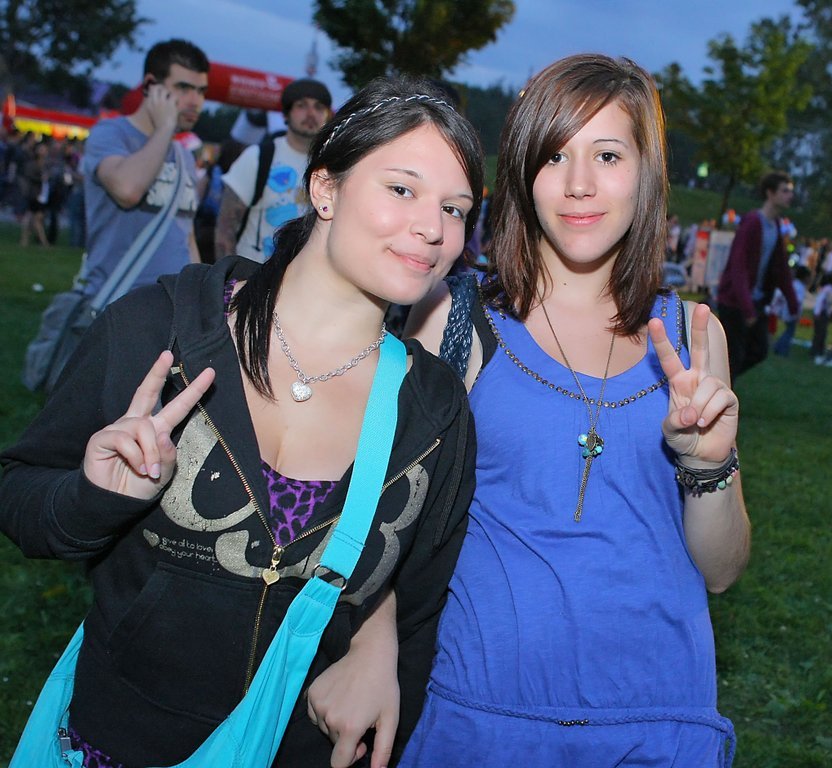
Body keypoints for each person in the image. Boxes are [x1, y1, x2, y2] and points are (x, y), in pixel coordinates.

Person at [0, 76, 484, 768]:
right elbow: (20, 492)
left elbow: (421, 608)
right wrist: (92, 498)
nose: (433, 229)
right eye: (402, 189)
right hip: (119, 740)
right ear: (325, 188)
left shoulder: (432, 410)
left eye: (455, 208)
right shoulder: (162, 331)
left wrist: (376, 652)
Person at [393, 53, 749, 767]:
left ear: (646, 173)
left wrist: (709, 465)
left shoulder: (693, 336)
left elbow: (722, 569)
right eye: (555, 155)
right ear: (522, 173)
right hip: (484, 719)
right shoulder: (453, 322)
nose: (579, 183)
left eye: (608, 155)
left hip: (656, 721)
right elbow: (390, 525)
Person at [79, 39, 208, 306]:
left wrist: (197, 300)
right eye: (183, 88)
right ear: (150, 85)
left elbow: (187, 236)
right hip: (117, 306)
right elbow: (127, 190)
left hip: (172, 309)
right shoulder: (111, 133)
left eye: (201, 91)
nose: (195, 101)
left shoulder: (183, 156)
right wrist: (165, 128)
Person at [216, 78, 333, 262]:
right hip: (252, 273)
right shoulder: (258, 157)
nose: (311, 113)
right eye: (301, 106)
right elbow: (225, 228)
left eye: (319, 107)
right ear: (286, 115)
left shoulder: (334, 165)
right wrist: (228, 275)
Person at [716, 170, 799, 378]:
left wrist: (792, 301)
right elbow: (738, 267)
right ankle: (718, 385)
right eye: (785, 191)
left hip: (756, 301)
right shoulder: (753, 222)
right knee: (733, 356)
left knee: (759, 350)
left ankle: (719, 382)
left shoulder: (776, 225)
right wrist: (747, 308)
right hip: (734, 301)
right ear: (770, 193)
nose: (790, 195)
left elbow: (781, 268)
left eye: (790, 191)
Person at [771, 264, 810, 357]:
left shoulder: (794, 284)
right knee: (789, 332)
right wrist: (797, 314)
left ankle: (778, 347)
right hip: (792, 312)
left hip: (787, 310)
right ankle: (782, 349)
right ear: (805, 277)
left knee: (788, 331)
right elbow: (797, 302)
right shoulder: (800, 287)